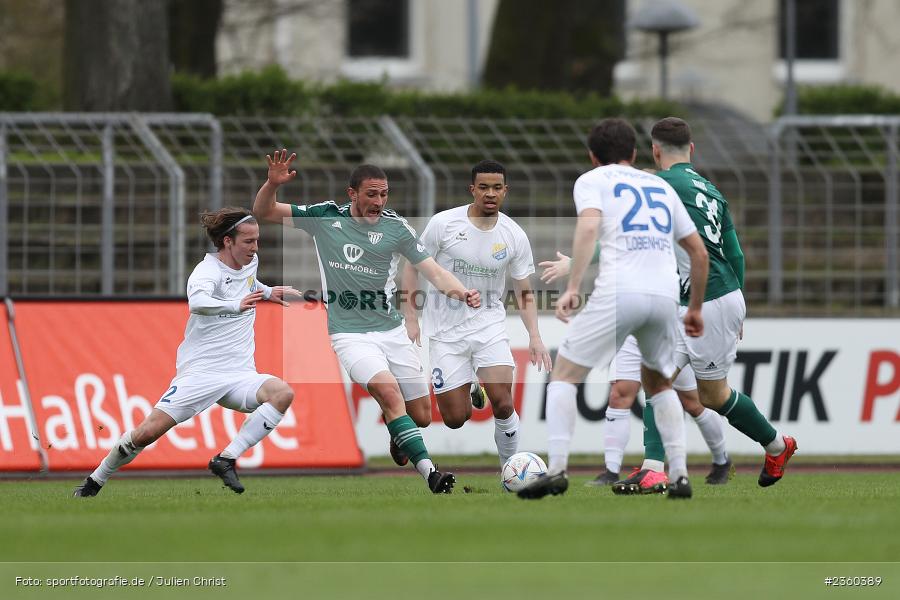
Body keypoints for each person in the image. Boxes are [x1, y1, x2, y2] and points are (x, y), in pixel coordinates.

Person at [252, 150, 481, 494]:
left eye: (384, 194)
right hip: (349, 334)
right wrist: (272, 184)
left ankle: (397, 431)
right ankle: (432, 474)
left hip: (391, 331)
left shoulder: (396, 227)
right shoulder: (325, 217)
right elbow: (264, 211)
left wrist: (463, 292)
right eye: (371, 194)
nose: (378, 201)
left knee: (419, 416)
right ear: (352, 194)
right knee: (389, 393)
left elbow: (432, 270)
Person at [518, 118, 709, 500]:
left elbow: (589, 229)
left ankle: (556, 470)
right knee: (660, 385)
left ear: (592, 156)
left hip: (621, 292)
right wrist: (696, 308)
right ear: (635, 153)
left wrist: (573, 287)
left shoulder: (593, 180)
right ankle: (681, 475)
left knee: (565, 376)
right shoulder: (659, 184)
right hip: (665, 296)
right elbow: (699, 253)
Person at [74, 208, 301, 497]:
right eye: (248, 241)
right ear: (227, 241)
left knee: (282, 393)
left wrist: (267, 292)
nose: (255, 248)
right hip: (201, 374)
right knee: (147, 433)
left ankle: (226, 458)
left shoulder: (250, 262)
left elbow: (246, 282)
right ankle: (95, 481)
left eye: (257, 240)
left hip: (240, 373)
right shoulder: (206, 272)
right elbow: (198, 302)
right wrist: (235, 306)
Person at [639, 117, 797, 489]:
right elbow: (736, 253)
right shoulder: (711, 189)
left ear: (655, 150)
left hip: (706, 300)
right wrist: (737, 303)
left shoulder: (658, 185)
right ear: (691, 150)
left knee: (713, 394)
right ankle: (653, 468)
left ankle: (777, 444)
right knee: (659, 379)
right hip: (715, 295)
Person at [402, 160, 553, 468]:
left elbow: (524, 292)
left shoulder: (514, 235)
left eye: (497, 188)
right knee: (456, 418)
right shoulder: (444, 224)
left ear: (506, 191)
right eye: (483, 187)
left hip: (489, 326)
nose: (490, 194)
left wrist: (535, 336)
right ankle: (472, 385)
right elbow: (412, 265)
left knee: (503, 401)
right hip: (446, 331)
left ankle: (511, 472)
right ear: (472, 189)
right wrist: (411, 316)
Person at [540, 251, 732, 490]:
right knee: (620, 392)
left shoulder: (673, 218)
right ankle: (612, 470)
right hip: (629, 313)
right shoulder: (632, 220)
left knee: (692, 401)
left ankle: (721, 461)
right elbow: (611, 241)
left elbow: (703, 251)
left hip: (664, 314)